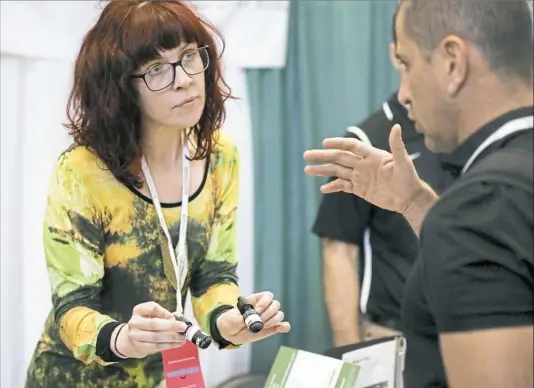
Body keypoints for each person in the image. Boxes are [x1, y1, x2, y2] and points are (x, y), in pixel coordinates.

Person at [25, 1, 290, 387]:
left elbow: (212, 274)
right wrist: (125, 338)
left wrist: (229, 320)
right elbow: (73, 307)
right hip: (74, 377)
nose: (183, 79)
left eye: (188, 57)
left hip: (158, 376)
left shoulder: (220, 157)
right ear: (120, 88)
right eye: (156, 70)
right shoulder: (82, 171)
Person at [304, 1, 533, 387]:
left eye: (407, 65)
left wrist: (452, 220)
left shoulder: (481, 206)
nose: (405, 93)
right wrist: (418, 206)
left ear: (452, 62)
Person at [312, 15, 453, 347]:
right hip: (395, 335)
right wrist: (349, 351)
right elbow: (338, 250)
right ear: (395, 55)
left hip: (471, 330)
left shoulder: (469, 134)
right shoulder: (367, 139)